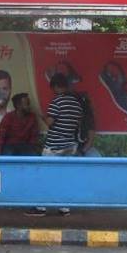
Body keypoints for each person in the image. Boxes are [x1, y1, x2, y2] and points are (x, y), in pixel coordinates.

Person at [29, 74, 83, 216]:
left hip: (54, 145)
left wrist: (40, 115)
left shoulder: (57, 101)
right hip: (70, 145)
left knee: (44, 175)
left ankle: (40, 207)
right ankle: (64, 208)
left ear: (57, 86)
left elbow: (49, 123)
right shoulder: (76, 103)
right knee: (64, 176)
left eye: (53, 88)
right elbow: (76, 124)